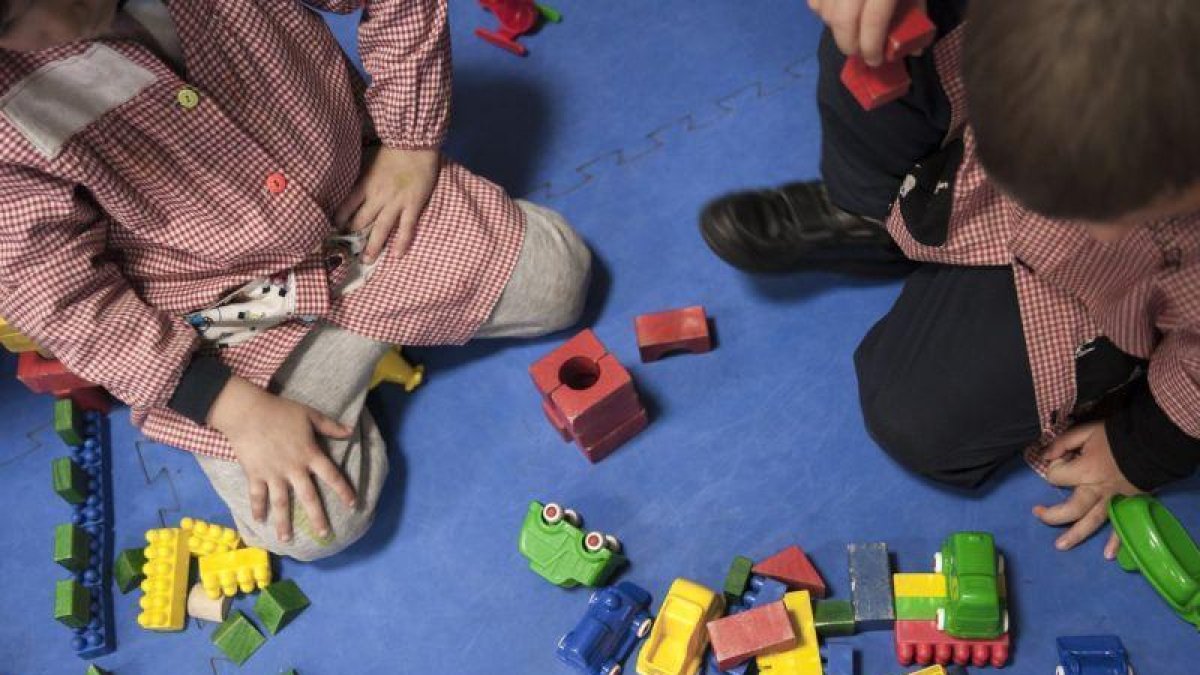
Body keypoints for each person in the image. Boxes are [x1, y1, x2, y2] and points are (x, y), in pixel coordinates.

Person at [0, 0, 591, 560]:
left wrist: (409, 144)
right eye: (10, 21)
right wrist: (228, 405)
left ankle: (374, 326)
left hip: (356, 211)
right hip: (221, 314)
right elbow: (58, 293)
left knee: (559, 279)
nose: (60, 17)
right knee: (313, 526)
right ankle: (376, 328)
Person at [699, 0, 1200, 555]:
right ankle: (875, 218)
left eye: (1108, 207)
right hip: (975, 166)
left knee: (913, 419)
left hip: (1096, 293)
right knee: (873, 40)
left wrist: (1141, 449)